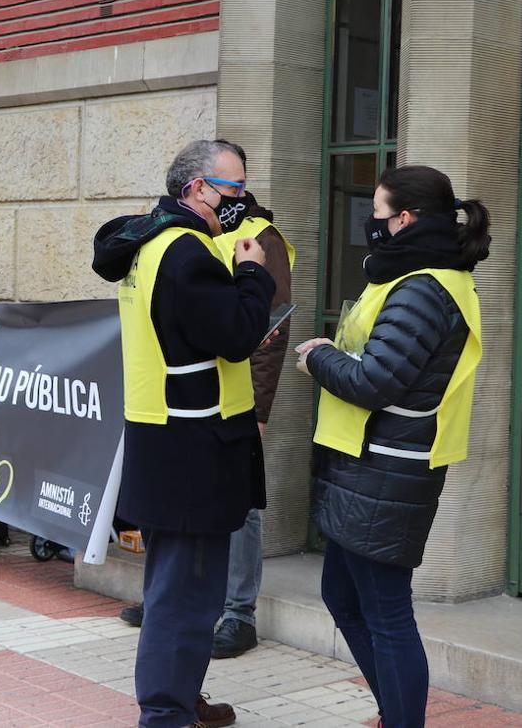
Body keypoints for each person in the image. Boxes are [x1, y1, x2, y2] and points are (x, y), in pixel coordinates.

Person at [295, 166, 488, 728]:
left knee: (385, 613)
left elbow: (376, 380)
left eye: (377, 213)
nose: (370, 224)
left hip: (386, 471)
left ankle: (403, 720)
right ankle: (395, 713)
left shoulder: (425, 289)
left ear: (405, 219)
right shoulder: (407, 278)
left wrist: (319, 356)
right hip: (365, 466)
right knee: (344, 598)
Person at [92, 139, 274, 728]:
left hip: (170, 439)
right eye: (233, 188)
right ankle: (166, 714)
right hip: (195, 449)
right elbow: (236, 334)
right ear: (197, 188)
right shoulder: (186, 253)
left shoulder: (153, 244)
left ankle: (181, 697)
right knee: (184, 596)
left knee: (182, 588)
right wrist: (251, 273)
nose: (241, 199)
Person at [211, 140, 294, 659]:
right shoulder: (200, 232)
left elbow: (273, 328)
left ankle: (239, 615)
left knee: (240, 508)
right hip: (194, 399)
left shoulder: (260, 235)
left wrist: (259, 409)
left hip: (239, 400)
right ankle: (188, 599)